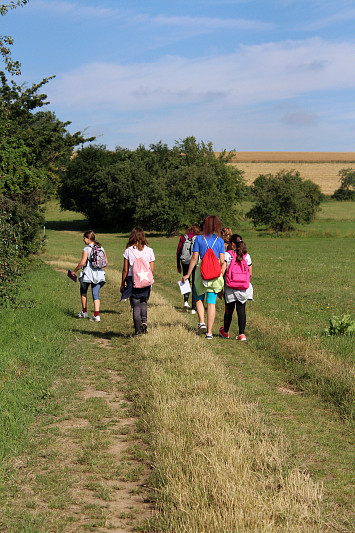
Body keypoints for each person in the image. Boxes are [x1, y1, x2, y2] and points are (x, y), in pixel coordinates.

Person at [182, 215, 226, 339]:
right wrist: (220, 275)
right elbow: (222, 261)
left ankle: (201, 322)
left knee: (199, 298)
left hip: (201, 272)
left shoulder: (199, 239)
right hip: (215, 273)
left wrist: (188, 274)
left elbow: (195, 258)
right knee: (211, 303)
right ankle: (210, 333)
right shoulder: (220, 241)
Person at [120, 227, 155, 336]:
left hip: (132, 280)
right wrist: (150, 282)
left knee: (135, 305)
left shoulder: (128, 251)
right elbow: (152, 269)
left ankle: (137, 332)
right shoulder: (149, 250)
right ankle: (144, 320)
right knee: (143, 301)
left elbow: (125, 269)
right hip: (145, 280)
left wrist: (123, 283)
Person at [219, 234, 253, 341]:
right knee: (241, 310)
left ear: (232, 244)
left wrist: (220, 287)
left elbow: (222, 272)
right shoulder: (246, 256)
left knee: (229, 310)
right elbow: (250, 273)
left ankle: (225, 332)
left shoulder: (227, 255)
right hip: (243, 287)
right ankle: (241, 334)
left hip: (230, 286)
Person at [72, 230, 107, 322]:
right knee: (96, 294)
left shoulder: (86, 249)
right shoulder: (101, 248)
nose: (83, 240)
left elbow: (82, 262)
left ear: (88, 238)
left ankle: (84, 312)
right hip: (99, 275)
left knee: (83, 291)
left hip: (87, 275)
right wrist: (99, 270)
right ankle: (96, 315)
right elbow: (105, 262)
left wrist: (75, 271)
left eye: (84, 238)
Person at [176, 223, 201, 314]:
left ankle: (185, 301)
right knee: (195, 283)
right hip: (194, 262)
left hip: (184, 262)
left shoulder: (183, 237)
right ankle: (194, 307)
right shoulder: (198, 238)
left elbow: (178, 251)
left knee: (185, 280)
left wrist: (178, 265)